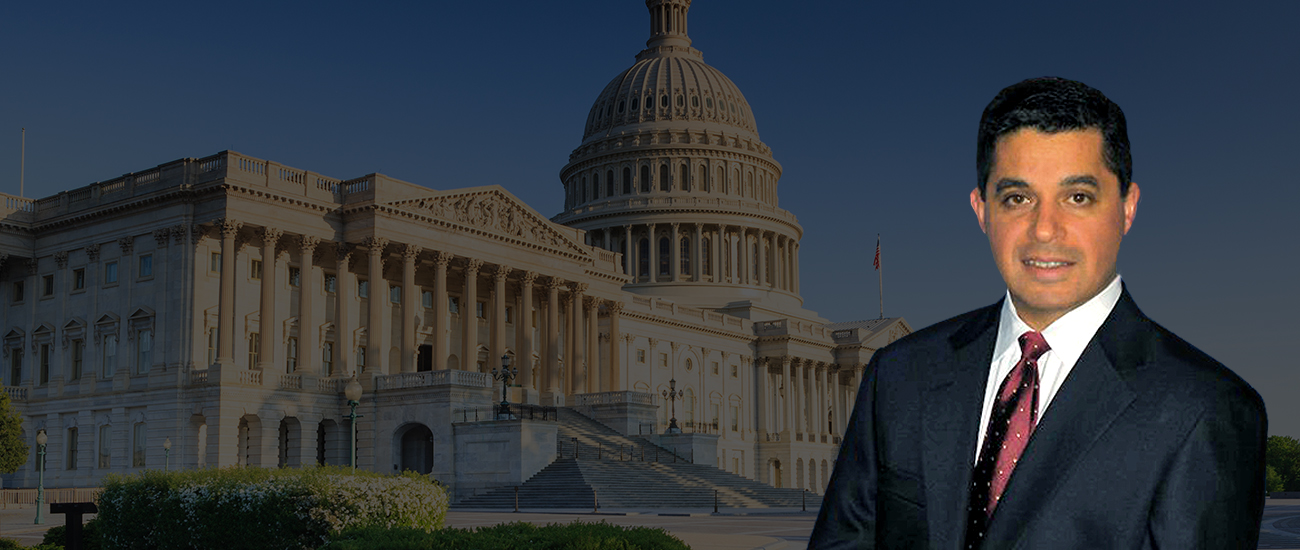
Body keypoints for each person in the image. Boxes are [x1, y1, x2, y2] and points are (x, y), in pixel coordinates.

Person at [808, 76, 1267, 549]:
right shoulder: (901, 375)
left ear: (1127, 208)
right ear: (982, 210)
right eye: (1018, 198)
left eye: (1078, 197)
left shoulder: (1206, 409)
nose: (1045, 230)